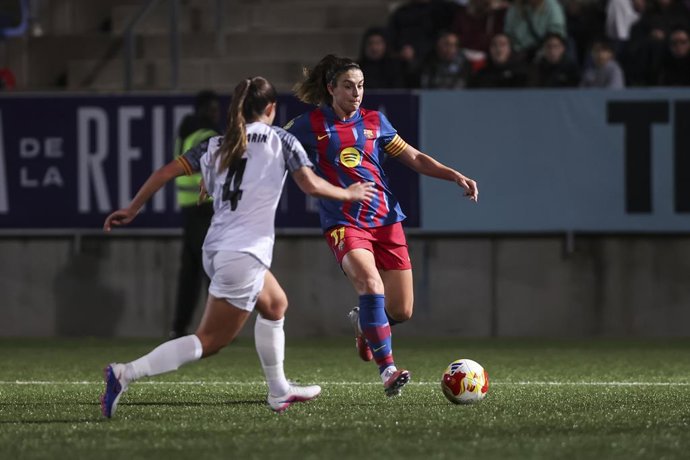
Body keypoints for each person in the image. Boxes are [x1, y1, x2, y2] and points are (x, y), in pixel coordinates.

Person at [99, 76, 375, 417]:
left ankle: (278, 391)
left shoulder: (217, 143)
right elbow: (312, 185)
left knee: (275, 304)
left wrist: (132, 208)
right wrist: (349, 193)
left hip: (217, 249)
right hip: (243, 253)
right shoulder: (281, 140)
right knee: (210, 341)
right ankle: (125, 373)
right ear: (271, 108)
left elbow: (165, 172)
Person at [285, 54, 478, 397]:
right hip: (344, 221)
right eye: (348, 86)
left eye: (360, 86)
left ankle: (365, 323)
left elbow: (415, 158)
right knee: (371, 284)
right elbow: (266, 144)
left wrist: (455, 175)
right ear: (330, 88)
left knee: (401, 309)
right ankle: (388, 369)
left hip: (387, 221)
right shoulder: (310, 124)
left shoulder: (376, 122)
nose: (356, 93)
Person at [170, 90, 221, 339]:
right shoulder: (208, 135)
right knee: (211, 270)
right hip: (206, 207)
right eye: (211, 109)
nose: (215, 113)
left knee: (189, 272)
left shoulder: (185, 132)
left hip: (189, 209)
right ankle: (215, 327)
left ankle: (179, 326)